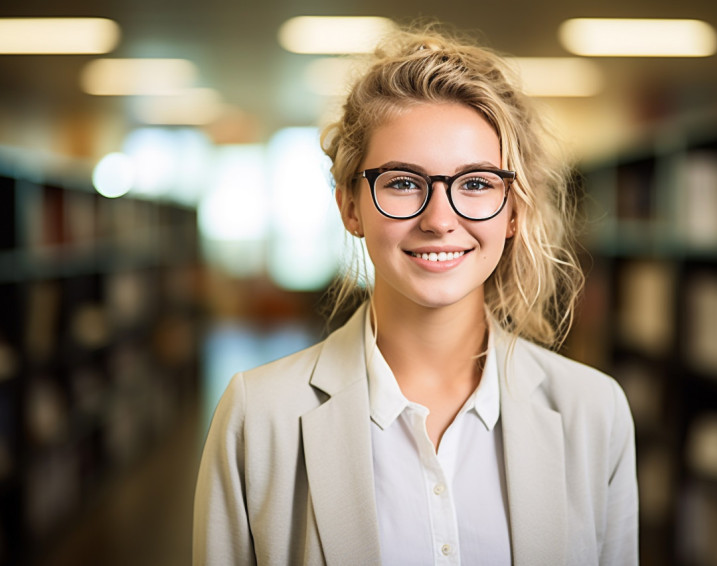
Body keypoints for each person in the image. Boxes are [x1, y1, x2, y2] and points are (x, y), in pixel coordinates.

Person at [193, 25, 638, 566]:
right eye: (403, 182)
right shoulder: (257, 417)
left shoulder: (595, 411)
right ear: (350, 207)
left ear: (514, 211)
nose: (439, 220)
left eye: (475, 183)